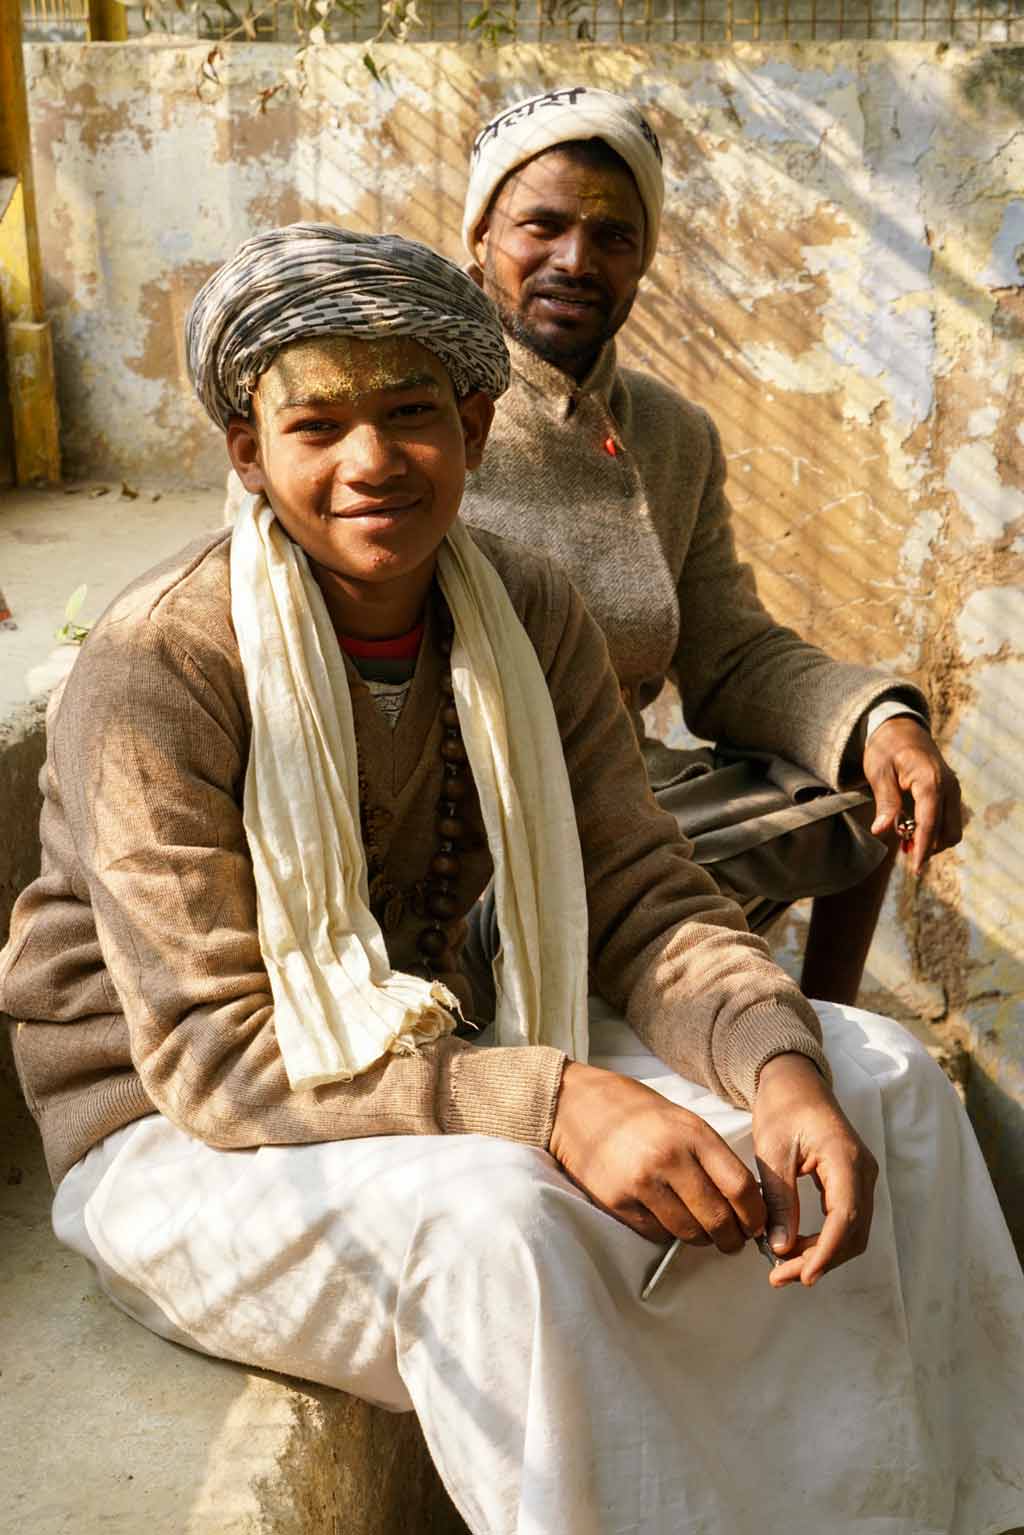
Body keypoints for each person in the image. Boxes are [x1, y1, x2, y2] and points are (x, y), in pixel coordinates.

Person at [2, 225, 1021, 1535]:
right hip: (183, 1132)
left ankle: (944, 1508)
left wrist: (778, 1066)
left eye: (412, 413)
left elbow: (644, 892)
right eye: (316, 426)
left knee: (879, 1078)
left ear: (476, 431)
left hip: (429, 1041)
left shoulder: (526, 607)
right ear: (249, 452)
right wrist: (553, 1099)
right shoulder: (163, 664)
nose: (371, 462)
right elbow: (213, 1055)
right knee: (510, 1224)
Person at [457, 85, 964, 1005]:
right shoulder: (418, 406)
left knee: (866, 799)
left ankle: (829, 1028)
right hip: (456, 810)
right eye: (542, 225)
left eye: (614, 237)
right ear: (480, 235)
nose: (576, 260)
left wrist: (879, 721)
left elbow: (730, 655)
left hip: (626, 795)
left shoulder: (672, 433)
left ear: (644, 258)